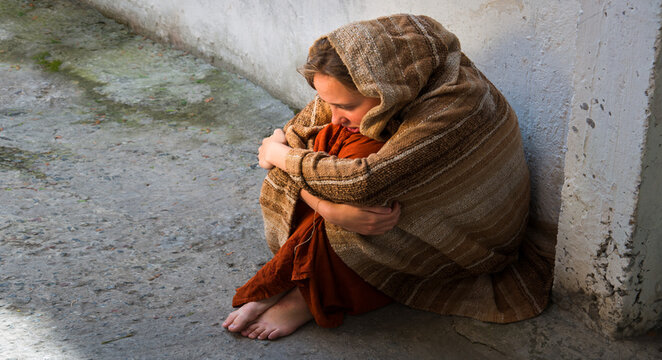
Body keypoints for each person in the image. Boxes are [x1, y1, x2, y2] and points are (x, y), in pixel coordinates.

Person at [223, 14, 554, 340]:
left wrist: (278, 154)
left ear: (384, 88)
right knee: (325, 145)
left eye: (346, 106)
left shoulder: (455, 107)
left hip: (468, 239)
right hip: (395, 203)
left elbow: (362, 184)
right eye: (328, 101)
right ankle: (305, 280)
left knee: (349, 180)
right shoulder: (384, 86)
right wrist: (327, 208)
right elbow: (299, 133)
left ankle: (305, 294)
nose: (334, 115)